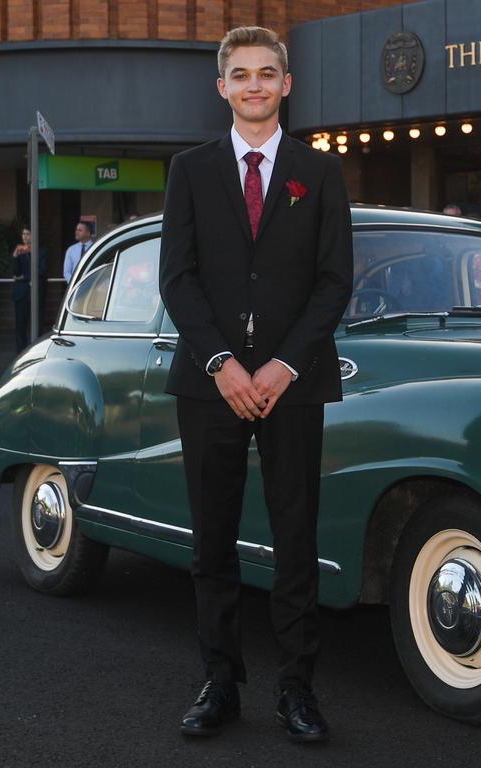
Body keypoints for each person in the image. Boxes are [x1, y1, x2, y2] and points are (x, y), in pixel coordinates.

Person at [158, 25, 352, 743]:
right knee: (211, 538)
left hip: (292, 383)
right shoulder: (189, 170)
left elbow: (335, 282)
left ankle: (298, 689)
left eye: (266, 73)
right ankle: (218, 681)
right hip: (209, 382)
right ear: (222, 86)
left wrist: (280, 365)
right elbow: (176, 277)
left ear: (286, 84)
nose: (254, 86)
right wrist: (221, 365)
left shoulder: (320, 172)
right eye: (240, 74)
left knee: (295, 536)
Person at [12, 227, 48, 352]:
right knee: (20, 326)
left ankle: (36, 352)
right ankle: (20, 354)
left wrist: (24, 277)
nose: (25, 236)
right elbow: (16, 273)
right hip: (22, 293)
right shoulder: (19, 250)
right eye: (23, 233)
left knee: (37, 325)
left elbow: (42, 270)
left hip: (36, 291)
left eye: (28, 234)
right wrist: (15, 256)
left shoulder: (41, 251)